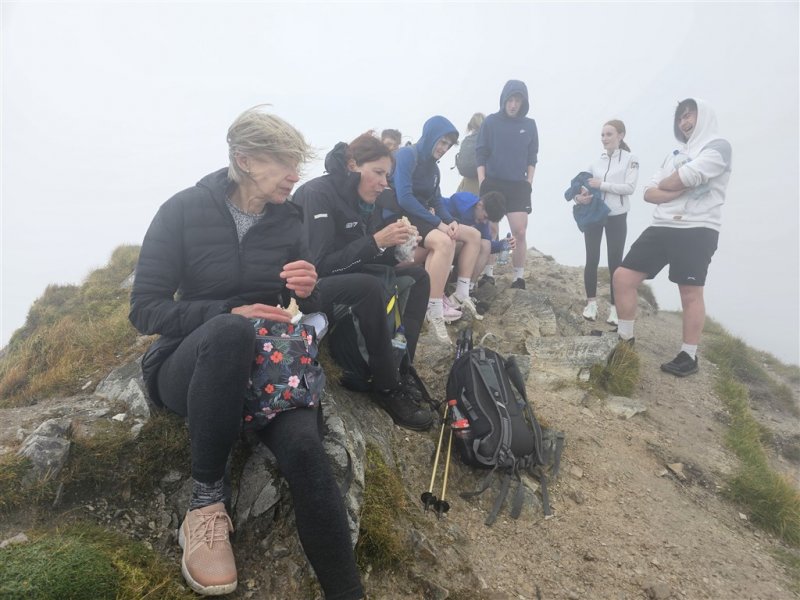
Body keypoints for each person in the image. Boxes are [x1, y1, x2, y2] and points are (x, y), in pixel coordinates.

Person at [129, 106, 364, 599]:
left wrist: (311, 289)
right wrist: (225, 312)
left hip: (267, 369)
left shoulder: (290, 220)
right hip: (188, 365)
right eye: (282, 162)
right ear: (244, 159)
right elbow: (145, 309)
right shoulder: (183, 210)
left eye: (297, 163)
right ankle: (206, 504)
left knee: (306, 451)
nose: (294, 175)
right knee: (232, 333)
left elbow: (309, 308)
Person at [292, 132, 433, 431]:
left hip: (344, 277)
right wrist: (374, 241)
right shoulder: (317, 193)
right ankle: (386, 387)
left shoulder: (362, 201)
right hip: (311, 291)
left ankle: (401, 365)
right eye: (379, 173)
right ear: (354, 164)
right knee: (369, 287)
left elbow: (362, 258)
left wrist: (395, 250)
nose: (385, 183)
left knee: (418, 277)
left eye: (387, 175)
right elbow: (318, 267)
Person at [613, 98, 732, 377]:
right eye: (680, 118)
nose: (684, 122)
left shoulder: (718, 146)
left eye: (689, 116)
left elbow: (674, 181)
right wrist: (679, 186)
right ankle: (625, 339)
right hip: (662, 226)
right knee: (622, 277)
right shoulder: (674, 152)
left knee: (689, 292)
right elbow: (648, 192)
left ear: (703, 116)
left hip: (698, 228)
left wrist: (672, 184)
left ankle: (688, 356)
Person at [381, 115, 483, 344]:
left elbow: (436, 200)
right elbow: (405, 197)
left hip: (424, 217)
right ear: (430, 136)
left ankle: (461, 293)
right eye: (441, 141)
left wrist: (450, 220)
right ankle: (433, 308)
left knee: (473, 235)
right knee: (445, 241)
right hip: (403, 216)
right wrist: (439, 224)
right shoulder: (408, 155)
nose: (443, 148)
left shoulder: (433, 169)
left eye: (447, 145)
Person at [572, 119, 639, 325]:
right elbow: (581, 186)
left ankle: (614, 308)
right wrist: (578, 198)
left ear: (621, 135)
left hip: (617, 215)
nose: (604, 139)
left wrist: (603, 185)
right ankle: (591, 304)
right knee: (592, 258)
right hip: (595, 214)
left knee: (615, 263)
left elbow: (629, 187)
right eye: (602, 135)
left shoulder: (631, 159)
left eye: (609, 134)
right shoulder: (595, 162)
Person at [476, 80, 539, 289]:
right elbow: (481, 153)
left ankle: (518, 277)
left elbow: (532, 156)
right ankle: (488, 273)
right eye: (510, 100)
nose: (513, 105)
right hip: (492, 181)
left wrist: (529, 182)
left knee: (519, 231)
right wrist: (482, 180)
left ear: (523, 102)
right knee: (491, 227)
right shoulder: (491, 122)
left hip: (518, 185)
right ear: (504, 100)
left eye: (517, 101)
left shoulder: (529, 125)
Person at [442, 191, 514, 291]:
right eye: (485, 217)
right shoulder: (463, 200)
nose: (484, 222)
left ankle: (467, 287)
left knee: (485, 244)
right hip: (441, 242)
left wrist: (502, 244)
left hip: (458, 250)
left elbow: (486, 248)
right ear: (480, 205)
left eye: (488, 220)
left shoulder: (482, 222)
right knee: (471, 237)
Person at [455, 112, 485, 195]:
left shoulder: (466, 140)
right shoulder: (487, 140)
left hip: (466, 183)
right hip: (481, 182)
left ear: (471, 126)